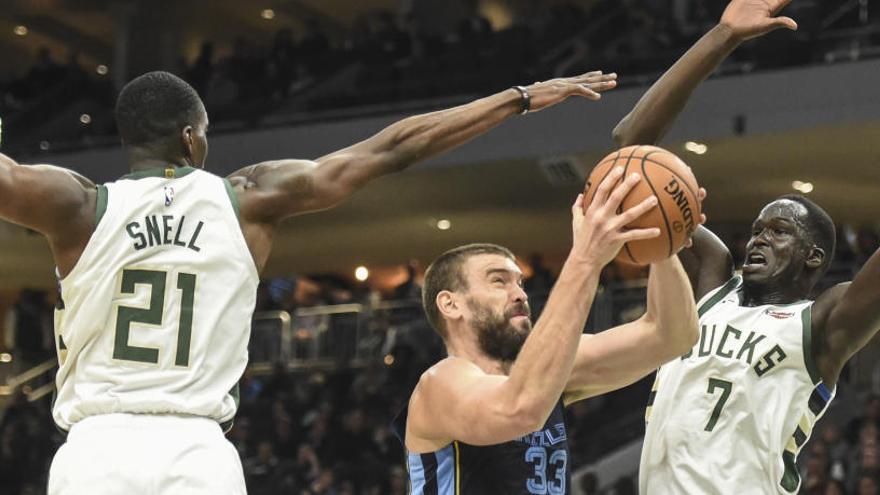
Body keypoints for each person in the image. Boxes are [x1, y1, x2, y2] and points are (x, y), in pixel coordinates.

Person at [0, 68, 617, 494]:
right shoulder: (247, 198)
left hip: (97, 447)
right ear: (192, 137)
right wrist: (519, 97)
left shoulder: (78, 205)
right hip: (195, 449)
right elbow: (389, 149)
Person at [611, 0, 880, 493]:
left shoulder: (823, 321)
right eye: (757, 229)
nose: (758, 238)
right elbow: (629, 147)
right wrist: (723, 37)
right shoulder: (711, 279)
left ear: (813, 257)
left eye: (779, 231)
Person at [393, 167, 701, 494]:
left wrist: (660, 238)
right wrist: (585, 259)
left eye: (520, 283)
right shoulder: (439, 386)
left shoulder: (548, 377)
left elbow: (672, 335)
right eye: (498, 281)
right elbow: (519, 409)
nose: (520, 294)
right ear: (451, 304)